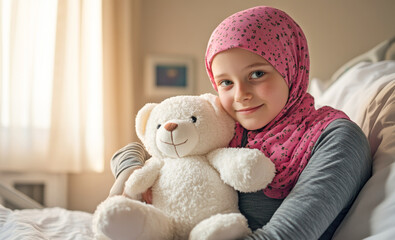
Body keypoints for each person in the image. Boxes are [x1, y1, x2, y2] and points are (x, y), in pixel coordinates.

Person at [109, 6, 371, 239]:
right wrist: (128, 174)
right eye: (226, 82)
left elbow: (285, 235)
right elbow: (140, 147)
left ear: (290, 67)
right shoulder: (229, 124)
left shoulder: (336, 137)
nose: (240, 95)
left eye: (257, 74)